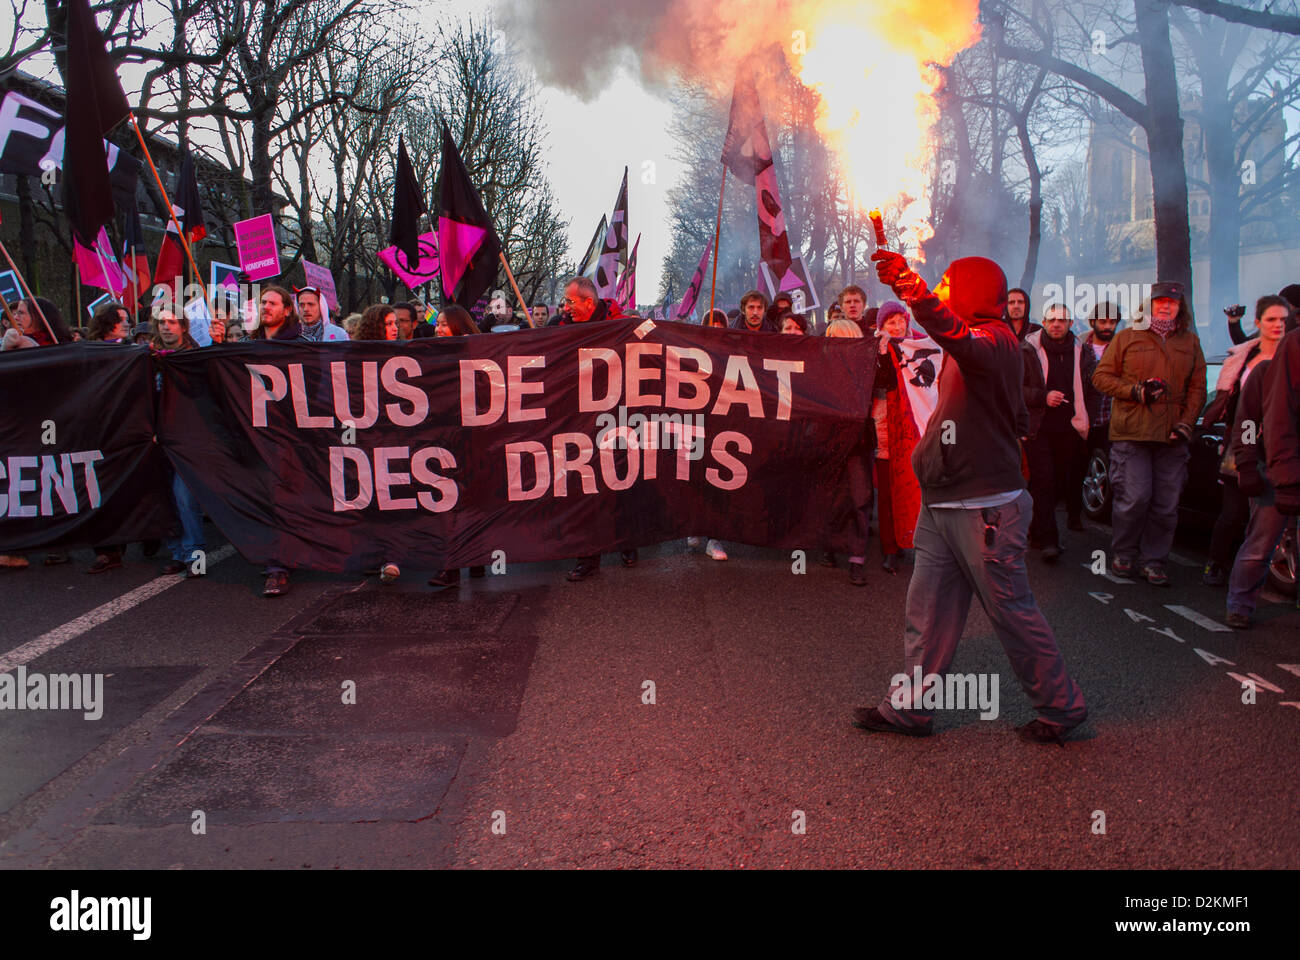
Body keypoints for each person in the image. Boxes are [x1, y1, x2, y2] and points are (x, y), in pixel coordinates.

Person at [853, 250, 1088, 744]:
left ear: (973, 293)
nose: (938, 290)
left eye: (945, 284)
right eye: (935, 284)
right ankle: (912, 709)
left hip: (983, 507)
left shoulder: (996, 341)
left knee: (1011, 610)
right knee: (928, 610)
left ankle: (1061, 706)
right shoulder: (978, 346)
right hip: (944, 502)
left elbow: (958, 336)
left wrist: (912, 290)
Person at [1091, 281, 1206, 586]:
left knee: (1166, 504)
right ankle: (1124, 553)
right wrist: (1135, 391)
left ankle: (1154, 560)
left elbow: (1197, 389)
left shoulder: (1190, 342)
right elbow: (1101, 377)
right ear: (1149, 305)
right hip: (1132, 431)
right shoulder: (1128, 337)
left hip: (1172, 436)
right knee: (1134, 498)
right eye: (1160, 301)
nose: (1166, 306)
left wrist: (1186, 423)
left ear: (1180, 307)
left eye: (1172, 302)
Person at [1201, 297, 1289, 585]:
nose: (1278, 325)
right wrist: (1245, 453)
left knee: (1272, 519)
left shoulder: (1291, 355)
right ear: (1259, 323)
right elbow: (1246, 415)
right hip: (1243, 442)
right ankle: (1216, 563)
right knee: (1234, 512)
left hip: (1282, 448)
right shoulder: (1249, 356)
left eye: (1283, 319)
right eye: (1271, 320)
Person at [1223, 300, 1298, 627]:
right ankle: (1240, 604)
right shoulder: (1264, 373)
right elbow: (1248, 423)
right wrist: (1248, 465)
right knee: (1261, 543)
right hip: (1272, 471)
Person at [560, 277, 637, 581]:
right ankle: (588, 557)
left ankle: (628, 541)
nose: (566, 307)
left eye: (570, 301)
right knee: (586, 485)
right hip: (580, 415)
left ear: (588, 303)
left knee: (622, 480)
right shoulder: (562, 325)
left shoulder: (620, 322)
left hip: (619, 413)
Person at [1022, 302, 1090, 562]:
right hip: (1039, 426)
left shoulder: (1080, 351)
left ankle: (1037, 530)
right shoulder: (1028, 350)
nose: (1056, 324)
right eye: (1051, 320)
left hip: (1069, 427)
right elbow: (1016, 388)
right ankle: (1050, 540)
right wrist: (1043, 396)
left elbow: (1090, 385)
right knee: (1044, 480)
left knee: (1059, 483)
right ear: (1044, 322)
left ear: (1070, 324)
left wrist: (1086, 418)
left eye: (1061, 320)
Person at [149, 308, 206, 580]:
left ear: (183, 327)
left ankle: (195, 552)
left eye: (172, 322)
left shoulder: (194, 360)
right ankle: (177, 553)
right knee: (166, 497)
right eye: (162, 322)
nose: (166, 327)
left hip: (187, 441)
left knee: (185, 498)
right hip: (157, 442)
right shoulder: (149, 361)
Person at [871, 301, 923, 573]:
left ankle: (912, 542)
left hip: (913, 430)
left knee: (913, 488)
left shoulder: (922, 347)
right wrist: (882, 351)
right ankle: (889, 548)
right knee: (888, 492)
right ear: (881, 327)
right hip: (886, 428)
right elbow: (880, 383)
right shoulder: (876, 350)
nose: (898, 326)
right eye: (891, 322)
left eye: (901, 320)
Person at [823, 317, 873, 584]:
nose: (838, 341)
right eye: (833, 336)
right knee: (829, 495)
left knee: (858, 497)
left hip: (857, 442)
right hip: (828, 440)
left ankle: (856, 558)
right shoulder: (821, 365)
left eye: (844, 336)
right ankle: (830, 547)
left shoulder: (867, 366)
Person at [1079, 301, 1123, 451]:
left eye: (1112, 322)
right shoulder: (1079, 344)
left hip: (1111, 422)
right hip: (1082, 421)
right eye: (1103, 321)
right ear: (1092, 322)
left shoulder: (1122, 346)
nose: (1107, 327)